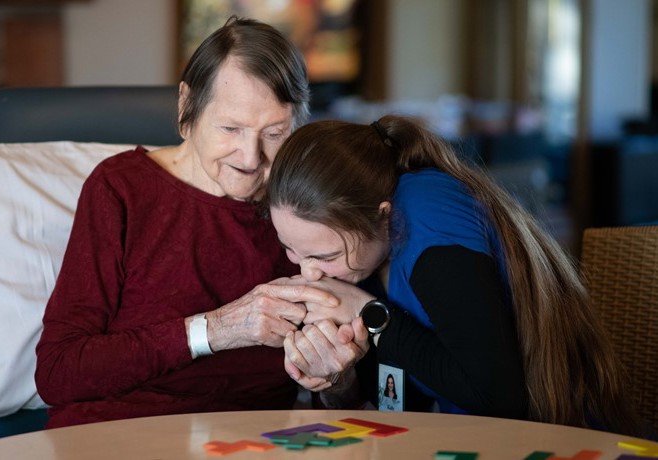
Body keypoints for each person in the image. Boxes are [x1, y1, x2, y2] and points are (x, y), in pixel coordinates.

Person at [34, 16, 338, 428]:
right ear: (186, 107)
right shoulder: (121, 189)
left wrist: (335, 378)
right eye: (231, 128)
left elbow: (340, 389)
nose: (251, 158)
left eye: (274, 133)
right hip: (120, 431)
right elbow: (58, 372)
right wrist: (216, 330)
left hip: (253, 441)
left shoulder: (305, 206)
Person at [266, 115, 648, 437]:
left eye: (325, 256)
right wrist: (339, 379)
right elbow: (394, 405)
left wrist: (371, 314)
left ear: (382, 215)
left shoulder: (428, 219)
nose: (308, 272)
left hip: (561, 437)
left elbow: (497, 399)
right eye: (290, 249)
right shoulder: (363, 256)